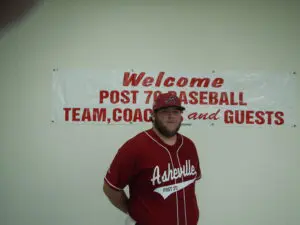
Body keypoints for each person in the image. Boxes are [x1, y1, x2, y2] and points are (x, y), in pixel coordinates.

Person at [103, 92, 202, 225]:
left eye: (176, 111)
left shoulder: (189, 146)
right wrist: (133, 211)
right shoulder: (135, 147)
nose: (171, 116)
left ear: (181, 116)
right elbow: (111, 188)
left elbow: (189, 187)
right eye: (164, 111)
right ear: (153, 115)